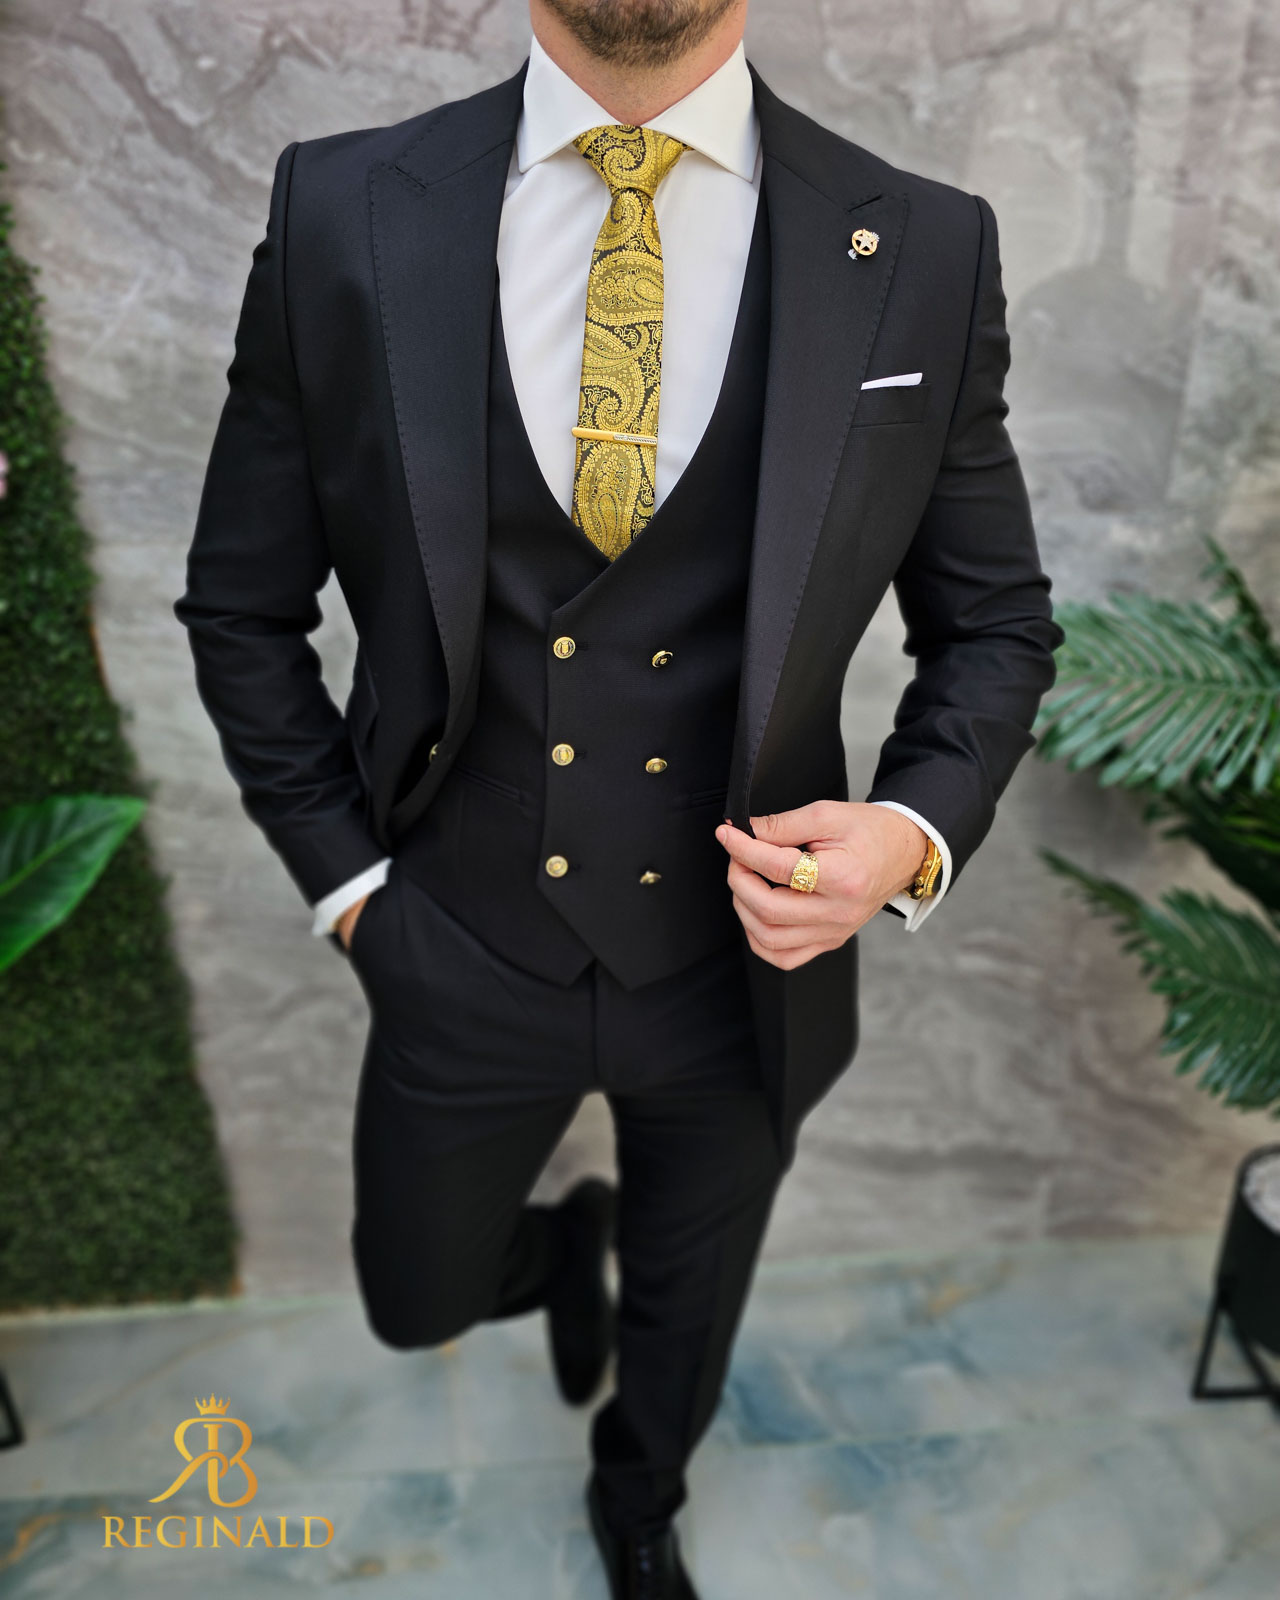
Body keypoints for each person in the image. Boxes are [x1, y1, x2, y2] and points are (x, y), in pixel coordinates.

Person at [174, 0, 1063, 1593]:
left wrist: (910, 835)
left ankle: (640, 1498)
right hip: (454, 933)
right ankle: (554, 1248)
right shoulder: (342, 208)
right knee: (416, 1295)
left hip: (744, 966)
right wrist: (355, 894)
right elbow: (241, 607)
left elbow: (993, 620)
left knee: (689, 1297)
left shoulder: (924, 246)